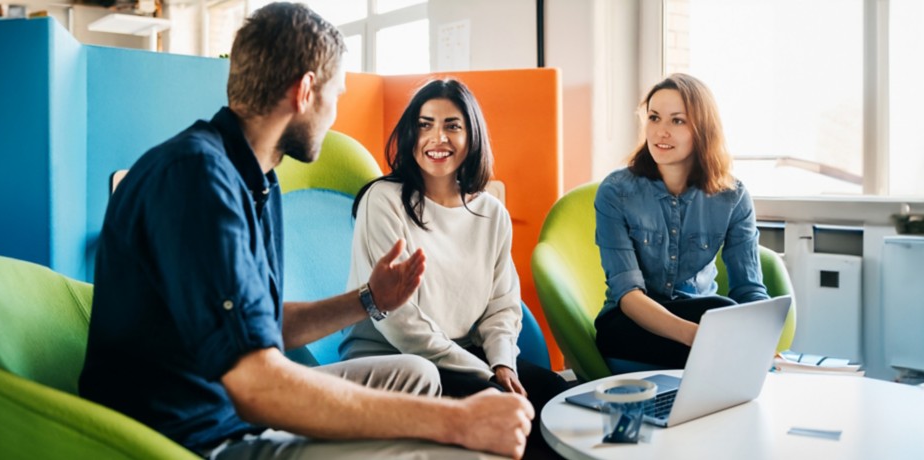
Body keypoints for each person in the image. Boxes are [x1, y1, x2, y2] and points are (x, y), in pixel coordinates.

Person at [78, 3, 533, 460]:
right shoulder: (196, 178)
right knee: (458, 451)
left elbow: (260, 325)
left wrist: (368, 299)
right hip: (199, 433)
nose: (335, 114)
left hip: (238, 404)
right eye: (336, 95)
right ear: (305, 91)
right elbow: (257, 385)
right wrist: (458, 422)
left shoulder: (257, 181)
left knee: (415, 377)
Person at [341, 78, 569, 458]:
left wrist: (502, 364)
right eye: (425, 124)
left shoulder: (490, 212)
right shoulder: (383, 201)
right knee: (512, 426)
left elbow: (502, 304)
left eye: (452, 126)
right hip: (396, 361)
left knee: (560, 405)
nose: (437, 138)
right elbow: (397, 320)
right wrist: (482, 374)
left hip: (466, 355)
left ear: (472, 135)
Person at [594, 73, 770, 369]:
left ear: (703, 129)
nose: (661, 132)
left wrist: (762, 337)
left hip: (701, 314)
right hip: (630, 322)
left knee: (722, 311)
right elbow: (628, 294)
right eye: (654, 118)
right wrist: (697, 337)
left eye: (677, 121)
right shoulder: (616, 192)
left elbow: (749, 289)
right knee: (719, 314)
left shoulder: (733, 197)